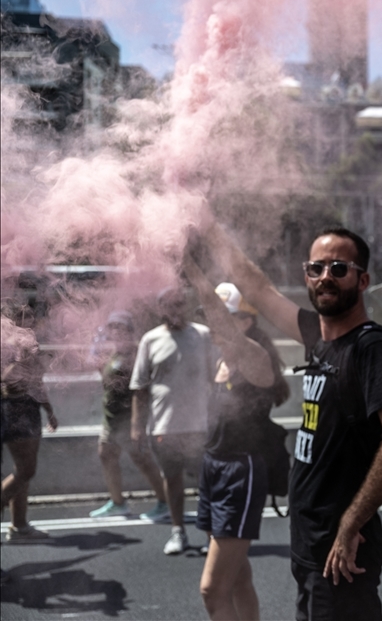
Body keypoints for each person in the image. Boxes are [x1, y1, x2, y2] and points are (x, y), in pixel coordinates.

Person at [200, 219, 382, 621]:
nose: (325, 277)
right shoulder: (320, 338)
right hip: (312, 541)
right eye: (315, 268)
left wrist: (351, 522)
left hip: (342, 547)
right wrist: (211, 230)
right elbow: (259, 289)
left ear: (363, 280)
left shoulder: (370, 348)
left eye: (339, 269)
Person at [182, 257, 289, 621]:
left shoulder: (255, 359)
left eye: (222, 318)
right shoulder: (221, 361)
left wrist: (196, 274)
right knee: (238, 579)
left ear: (246, 322)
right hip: (215, 467)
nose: (212, 325)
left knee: (212, 591)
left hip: (240, 473)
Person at [130, 287, 216, 555]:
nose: (175, 310)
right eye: (169, 305)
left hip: (199, 425)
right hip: (164, 425)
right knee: (172, 478)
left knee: (207, 482)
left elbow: (217, 377)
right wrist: (136, 426)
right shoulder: (150, 340)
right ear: (161, 309)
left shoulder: (202, 336)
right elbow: (140, 387)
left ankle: (211, 535)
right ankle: (178, 531)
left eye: (180, 304)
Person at [87, 311, 169, 519]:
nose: (115, 331)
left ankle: (165, 502)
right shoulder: (114, 354)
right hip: (111, 419)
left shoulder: (136, 354)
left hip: (128, 420)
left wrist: (137, 425)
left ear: (130, 331)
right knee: (106, 454)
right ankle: (118, 503)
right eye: (112, 327)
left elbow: (139, 391)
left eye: (120, 327)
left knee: (143, 461)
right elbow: (108, 381)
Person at [1, 305, 57, 542]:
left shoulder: (28, 343)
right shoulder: (10, 345)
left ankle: (19, 525)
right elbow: (9, 380)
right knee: (26, 470)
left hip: (28, 411)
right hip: (14, 412)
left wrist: (49, 411)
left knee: (23, 470)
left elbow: (37, 383)